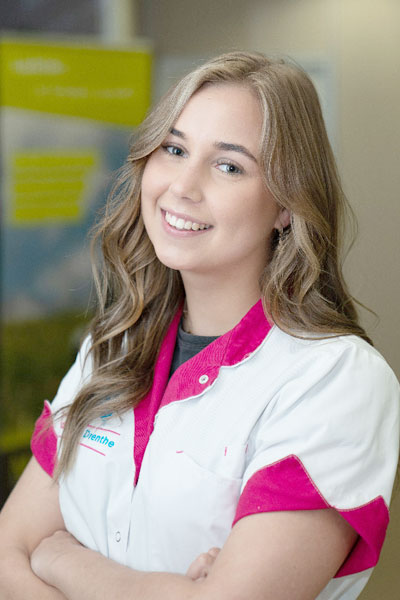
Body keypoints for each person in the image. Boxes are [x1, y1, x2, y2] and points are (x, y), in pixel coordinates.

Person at [0, 50, 398, 600]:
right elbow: (6, 555)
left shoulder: (336, 379)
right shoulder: (110, 349)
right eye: (174, 149)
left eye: (229, 165)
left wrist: (61, 557)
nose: (183, 186)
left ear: (287, 204)